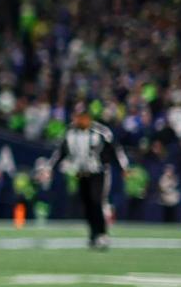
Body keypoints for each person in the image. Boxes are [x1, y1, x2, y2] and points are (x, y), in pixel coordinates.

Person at [43, 106, 130, 249]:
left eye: (82, 117)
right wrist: (50, 167)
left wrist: (124, 167)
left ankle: (102, 233)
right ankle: (93, 234)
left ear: (88, 117)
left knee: (97, 202)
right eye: (77, 117)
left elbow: (116, 149)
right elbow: (60, 152)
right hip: (81, 173)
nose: (79, 120)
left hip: (98, 173)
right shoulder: (69, 132)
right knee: (87, 204)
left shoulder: (100, 132)